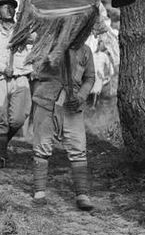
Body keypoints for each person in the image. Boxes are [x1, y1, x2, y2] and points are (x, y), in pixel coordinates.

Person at [29, 43, 96, 210]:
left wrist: (81, 96)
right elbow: (35, 69)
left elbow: (89, 78)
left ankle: (82, 194)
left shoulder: (85, 50)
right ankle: (39, 191)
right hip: (47, 101)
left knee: (78, 147)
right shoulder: (48, 43)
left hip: (73, 105)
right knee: (42, 145)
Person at [0, 0, 32, 168]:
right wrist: (3, 67)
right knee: (0, 116)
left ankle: (3, 142)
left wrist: (25, 39)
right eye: (4, 7)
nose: (8, 9)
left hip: (20, 77)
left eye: (11, 6)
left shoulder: (24, 31)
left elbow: (35, 49)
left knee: (19, 117)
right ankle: (1, 156)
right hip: (0, 78)